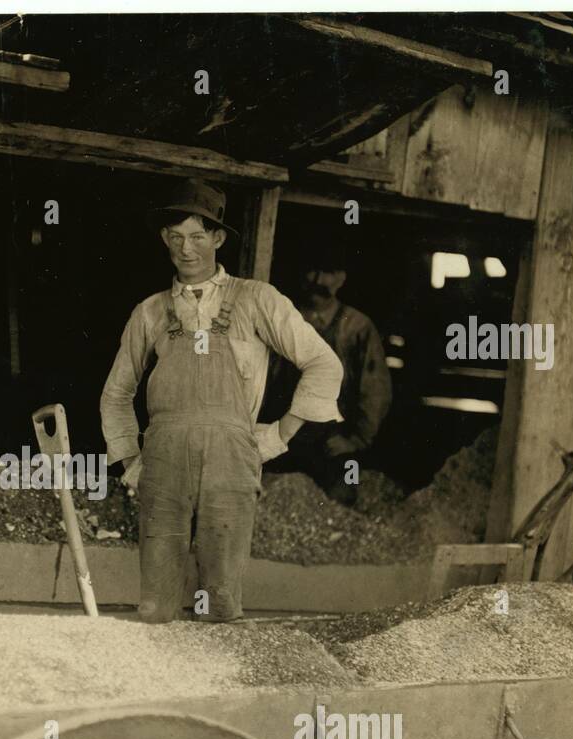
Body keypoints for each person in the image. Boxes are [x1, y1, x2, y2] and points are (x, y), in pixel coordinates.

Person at [100, 179, 343, 625]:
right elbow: (116, 393)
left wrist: (278, 435)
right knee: (155, 603)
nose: (185, 249)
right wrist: (131, 459)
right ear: (164, 240)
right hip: (164, 458)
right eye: (175, 237)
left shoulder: (256, 299)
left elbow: (324, 364)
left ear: (217, 238)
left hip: (231, 457)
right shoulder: (150, 312)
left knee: (221, 598)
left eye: (197, 236)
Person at [290, 242, 392, 505]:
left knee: (337, 507)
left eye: (328, 272)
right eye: (312, 271)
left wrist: (355, 440)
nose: (318, 280)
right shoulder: (284, 319)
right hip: (285, 439)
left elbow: (375, 391)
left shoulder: (357, 328)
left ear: (341, 279)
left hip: (334, 445)